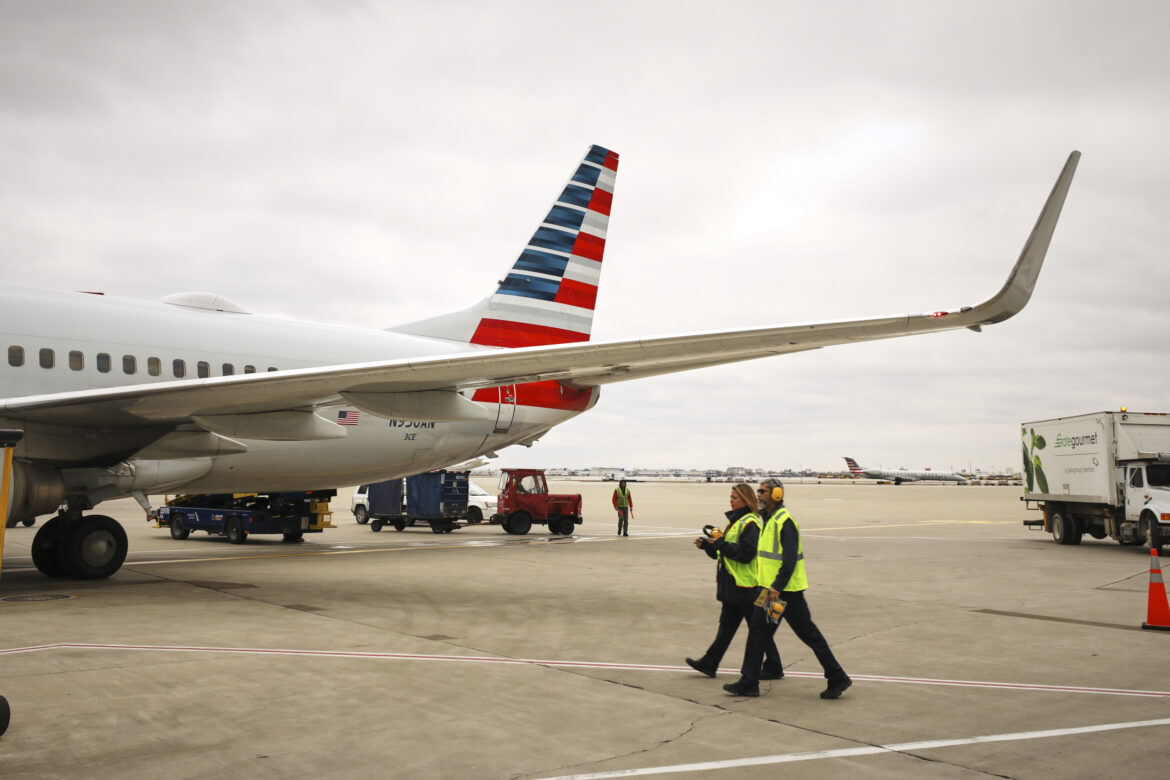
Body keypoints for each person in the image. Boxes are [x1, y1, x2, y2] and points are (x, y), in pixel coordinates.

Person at [723, 478, 852, 699]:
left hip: (783, 592)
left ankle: (837, 676)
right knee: (758, 633)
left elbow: (789, 559)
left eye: (763, 491)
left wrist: (776, 586)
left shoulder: (785, 521)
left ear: (776, 495)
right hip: (771, 591)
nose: (759, 495)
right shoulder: (768, 520)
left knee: (807, 634)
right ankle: (749, 682)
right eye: (759, 491)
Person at [685, 483, 782, 679]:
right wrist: (708, 546)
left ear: (745, 500)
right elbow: (724, 553)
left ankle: (773, 665)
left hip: (747, 586)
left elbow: (746, 554)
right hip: (735, 586)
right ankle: (710, 662)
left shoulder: (750, 523)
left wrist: (720, 543)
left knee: (757, 628)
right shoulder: (737, 521)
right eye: (730, 496)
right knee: (728, 626)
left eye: (735, 497)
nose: (731, 500)